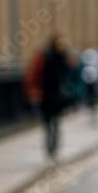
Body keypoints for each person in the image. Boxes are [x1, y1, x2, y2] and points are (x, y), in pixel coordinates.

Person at [24, 34, 77, 162]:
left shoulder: (64, 58)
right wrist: (34, 93)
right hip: (45, 96)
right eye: (60, 44)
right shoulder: (45, 56)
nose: (62, 46)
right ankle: (49, 149)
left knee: (56, 123)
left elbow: (71, 74)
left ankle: (54, 149)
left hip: (59, 97)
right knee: (48, 124)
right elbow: (33, 75)